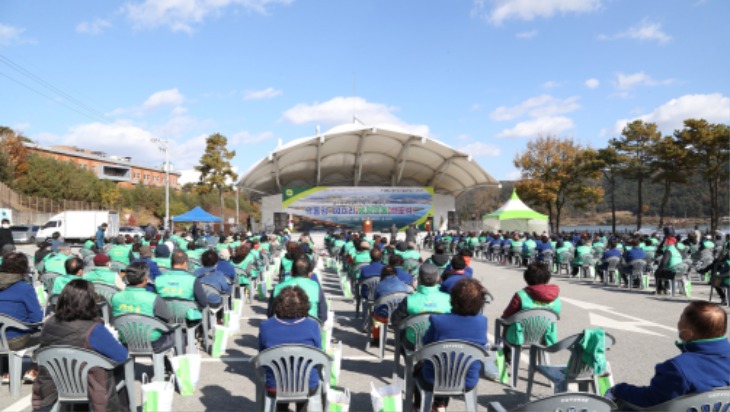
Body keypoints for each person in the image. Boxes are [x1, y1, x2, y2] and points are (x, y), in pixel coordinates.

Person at [609, 301, 730, 408]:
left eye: (681, 319)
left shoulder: (678, 367)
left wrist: (618, 390)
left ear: (687, 334)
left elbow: (650, 399)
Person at [32, 279, 129, 411]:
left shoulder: (49, 323)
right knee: (118, 369)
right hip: (90, 386)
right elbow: (121, 355)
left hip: (55, 383)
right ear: (89, 302)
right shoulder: (93, 329)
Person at [415, 278, 489, 409]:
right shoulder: (482, 322)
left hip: (433, 379)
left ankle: (419, 406)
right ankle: (440, 403)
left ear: (452, 299)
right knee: (453, 363)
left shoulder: (439, 321)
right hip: (467, 380)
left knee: (421, 368)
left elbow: (426, 344)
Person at [258, 286, 321, 412]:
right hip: (307, 384)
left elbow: (261, 354)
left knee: (279, 386)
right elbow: (319, 353)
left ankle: (281, 408)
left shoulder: (266, 326)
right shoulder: (312, 325)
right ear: (304, 304)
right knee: (306, 380)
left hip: (275, 385)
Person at [111, 261, 175, 353]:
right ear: (145, 280)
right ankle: (167, 363)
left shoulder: (115, 297)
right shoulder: (153, 298)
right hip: (153, 342)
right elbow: (167, 319)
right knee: (175, 333)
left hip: (125, 341)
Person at [0, 252, 42, 384]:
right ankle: (33, 369)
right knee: (46, 332)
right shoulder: (25, 288)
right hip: (16, 340)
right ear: (24, 269)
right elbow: (37, 319)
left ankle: (6, 371)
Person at [391, 263, 452, 350]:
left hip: (413, 343)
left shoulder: (409, 300)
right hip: (440, 342)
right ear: (438, 278)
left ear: (419, 279)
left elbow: (395, 320)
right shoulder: (448, 299)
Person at [155, 250, 208, 321]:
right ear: (185, 263)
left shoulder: (158, 280)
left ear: (171, 263)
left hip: (164, 319)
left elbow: (153, 301)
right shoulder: (192, 280)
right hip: (187, 320)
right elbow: (203, 303)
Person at [370, 265, 413, 343]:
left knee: (375, 313)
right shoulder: (403, 284)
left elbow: (375, 301)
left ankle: (377, 339)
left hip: (384, 315)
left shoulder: (379, 286)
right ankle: (400, 339)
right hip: (399, 315)